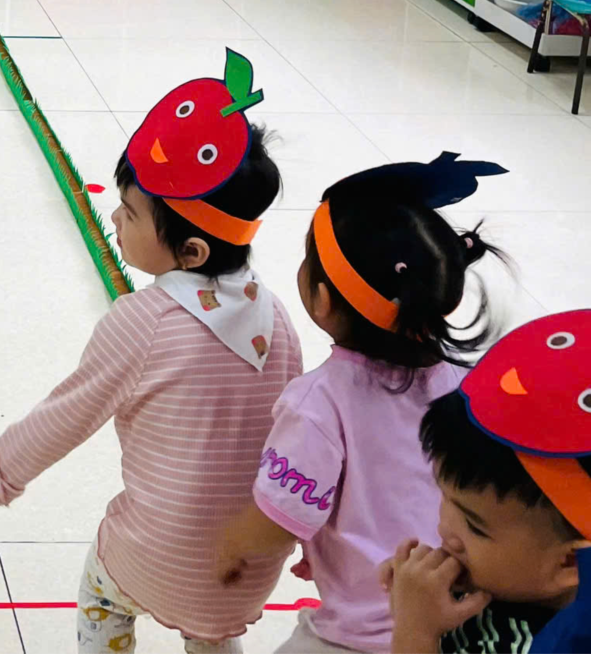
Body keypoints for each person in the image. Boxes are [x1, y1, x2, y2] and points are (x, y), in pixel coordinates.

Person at [0, 52, 302, 654]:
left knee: (102, 597)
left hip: (155, 555)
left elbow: (69, 413)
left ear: (190, 252)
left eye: (131, 213)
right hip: (246, 567)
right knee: (210, 629)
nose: (114, 215)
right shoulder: (278, 320)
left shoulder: (145, 321)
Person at [213, 154, 509, 654]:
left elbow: (278, 519)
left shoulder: (318, 404)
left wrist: (232, 547)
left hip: (362, 634)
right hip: (465, 620)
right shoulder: (473, 384)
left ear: (323, 299)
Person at [389, 279, 591, 654]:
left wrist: (414, 631)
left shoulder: (538, 645)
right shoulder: (516, 580)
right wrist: (417, 593)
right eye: (445, 498)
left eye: (475, 526)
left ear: (569, 561)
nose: (445, 531)